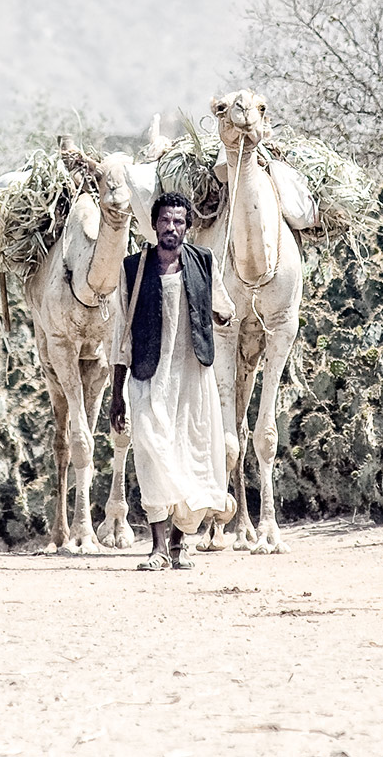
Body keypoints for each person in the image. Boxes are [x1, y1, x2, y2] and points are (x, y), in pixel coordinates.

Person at [110, 192, 236, 570]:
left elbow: (224, 307)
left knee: (188, 457)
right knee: (151, 455)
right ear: (154, 224)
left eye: (179, 221)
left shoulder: (203, 262)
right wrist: (116, 394)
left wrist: (220, 315)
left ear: (188, 226)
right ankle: (157, 547)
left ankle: (178, 547)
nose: (171, 228)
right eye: (165, 220)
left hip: (192, 378)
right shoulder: (133, 267)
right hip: (149, 377)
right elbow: (122, 334)